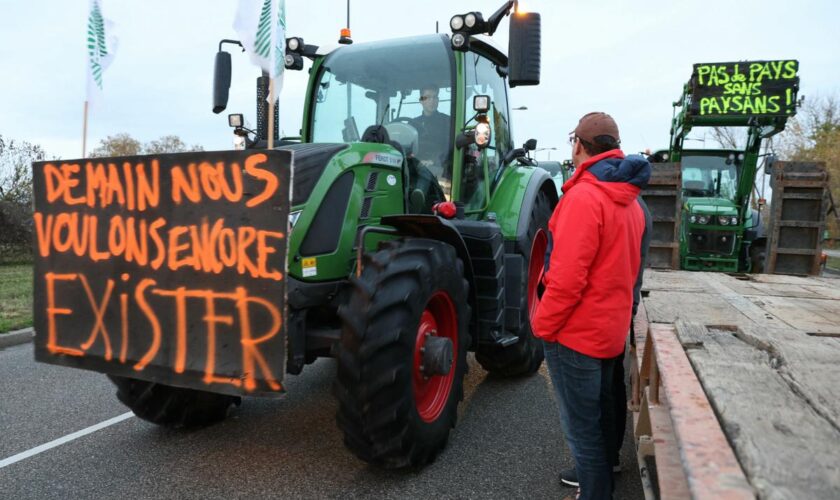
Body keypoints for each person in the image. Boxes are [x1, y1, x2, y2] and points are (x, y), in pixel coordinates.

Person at [532, 112, 651, 500]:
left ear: (579, 145)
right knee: (597, 425)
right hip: (608, 332)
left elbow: (567, 280)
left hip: (576, 336)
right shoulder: (631, 203)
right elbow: (627, 273)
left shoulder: (583, 198)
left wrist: (543, 327)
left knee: (582, 433)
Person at [558, 195, 652, 489]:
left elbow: (579, 269)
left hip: (600, 317)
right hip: (617, 311)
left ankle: (598, 470)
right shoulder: (636, 205)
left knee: (598, 395)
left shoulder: (612, 203)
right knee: (610, 387)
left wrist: (545, 323)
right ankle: (607, 460)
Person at [409, 85, 450, 177]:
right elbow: (409, 148)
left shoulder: (447, 121)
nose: (432, 101)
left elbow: (448, 147)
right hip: (417, 165)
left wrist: (433, 160)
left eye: (435, 97)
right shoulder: (413, 123)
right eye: (427, 97)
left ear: (438, 100)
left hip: (440, 167)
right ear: (421, 100)